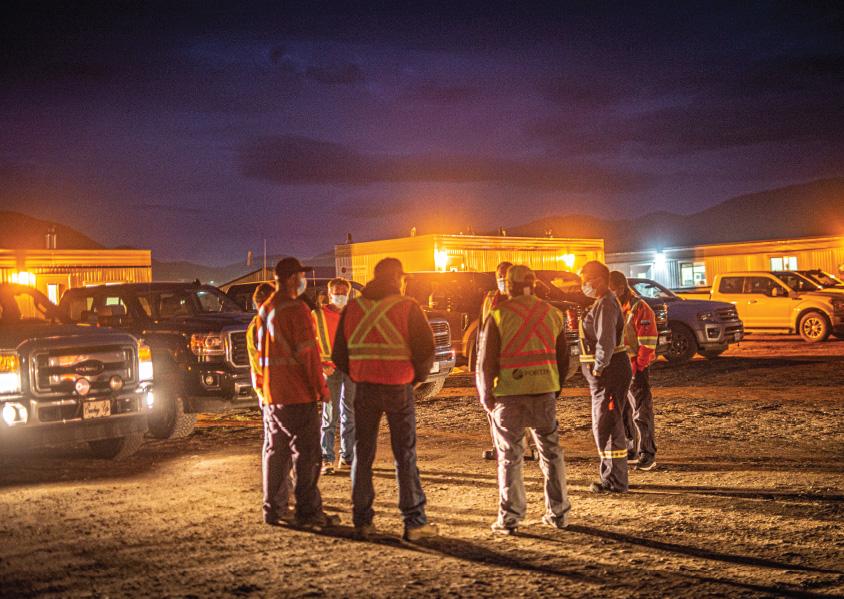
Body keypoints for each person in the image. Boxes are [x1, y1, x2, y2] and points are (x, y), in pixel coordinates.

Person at [332, 258, 439, 542]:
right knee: (404, 455)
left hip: (364, 388)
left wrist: (359, 372)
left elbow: (338, 355)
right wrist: (414, 377)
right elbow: (426, 350)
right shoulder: (407, 307)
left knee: (362, 453)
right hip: (398, 388)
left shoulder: (353, 308)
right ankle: (414, 522)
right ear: (397, 278)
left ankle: (362, 521)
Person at [476, 265, 571, 534]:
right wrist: (555, 387)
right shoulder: (553, 313)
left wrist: (487, 397)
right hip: (544, 393)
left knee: (510, 457)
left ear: (508, 285)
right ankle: (559, 513)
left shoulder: (498, 315)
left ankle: (510, 518)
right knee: (551, 454)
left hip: (508, 395)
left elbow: (485, 362)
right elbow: (563, 357)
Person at [257, 257, 338, 528]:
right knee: (308, 455)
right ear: (293, 278)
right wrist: (322, 389)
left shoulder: (266, 309)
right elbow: (308, 354)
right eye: (301, 276)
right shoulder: (297, 310)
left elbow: (263, 355)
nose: (304, 281)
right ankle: (308, 512)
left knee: (275, 452)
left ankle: (274, 509)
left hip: (273, 395)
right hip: (298, 395)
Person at [579, 261, 633, 494]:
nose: (584, 285)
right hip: (608, 373)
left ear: (598, 279)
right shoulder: (603, 302)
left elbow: (606, 341)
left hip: (609, 373)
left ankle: (615, 480)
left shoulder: (607, 304)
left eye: (586, 279)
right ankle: (613, 476)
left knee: (608, 425)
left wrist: (598, 368)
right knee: (607, 422)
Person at [479, 261, 536, 462]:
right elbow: (483, 329)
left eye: (506, 275)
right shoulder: (490, 299)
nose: (502, 279)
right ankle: (499, 446)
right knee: (495, 410)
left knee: (523, 408)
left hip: (517, 363)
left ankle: (528, 448)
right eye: (499, 275)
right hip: (498, 363)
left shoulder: (522, 302)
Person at [609, 271, 658, 471]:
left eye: (611, 289)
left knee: (641, 410)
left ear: (621, 287)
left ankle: (647, 452)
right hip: (618, 367)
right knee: (622, 411)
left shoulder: (639, 307)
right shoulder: (614, 307)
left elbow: (647, 341)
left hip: (634, 367)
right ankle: (630, 447)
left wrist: (639, 365)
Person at [314, 277, 357, 475]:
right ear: (329, 294)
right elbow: (310, 343)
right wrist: (322, 365)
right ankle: (327, 458)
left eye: (343, 292)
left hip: (349, 370)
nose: (340, 296)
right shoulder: (317, 315)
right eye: (336, 292)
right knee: (330, 414)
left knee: (349, 414)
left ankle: (347, 457)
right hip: (329, 370)